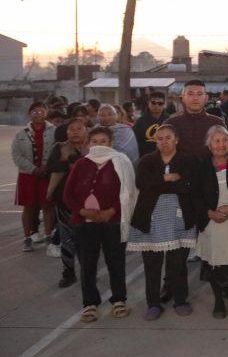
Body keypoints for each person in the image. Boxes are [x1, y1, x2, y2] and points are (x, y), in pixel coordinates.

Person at [62, 126, 137, 322]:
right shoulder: (81, 164)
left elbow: (128, 192)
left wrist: (111, 212)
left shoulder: (121, 162)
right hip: (84, 225)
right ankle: (90, 303)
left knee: (116, 263)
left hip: (112, 223)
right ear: (88, 144)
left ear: (111, 143)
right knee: (87, 265)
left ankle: (119, 300)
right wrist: (82, 211)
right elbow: (68, 194)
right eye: (94, 141)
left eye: (103, 141)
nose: (98, 145)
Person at [128, 125, 198, 320]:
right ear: (155, 141)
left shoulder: (187, 160)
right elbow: (142, 183)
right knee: (152, 265)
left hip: (179, 217)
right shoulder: (147, 160)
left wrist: (158, 184)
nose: (164, 141)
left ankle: (180, 300)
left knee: (178, 264)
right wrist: (166, 178)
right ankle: (153, 303)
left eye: (168, 137)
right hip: (149, 218)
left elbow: (187, 185)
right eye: (160, 138)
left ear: (176, 140)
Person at [195, 126, 228, 318]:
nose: (221, 145)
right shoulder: (201, 166)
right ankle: (218, 300)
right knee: (214, 263)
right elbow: (195, 195)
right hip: (212, 222)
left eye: (224, 140)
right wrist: (209, 212)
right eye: (216, 141)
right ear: (209, 145)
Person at [45, 118, 89, 287]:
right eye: (71, 129)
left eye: (79, 128)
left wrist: (69, 162)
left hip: (88, 203)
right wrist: (68, 162)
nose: (75, 132)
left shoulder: (92, 146)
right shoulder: (59, 147)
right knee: (67, 239)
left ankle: (88, 272)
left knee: (87, 240)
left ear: (86, 130)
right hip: (64, 202)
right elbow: (51, 168)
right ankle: (68, 272)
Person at [13, 102, 57, 253]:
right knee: (29, 207)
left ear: (46, 113)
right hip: (28, 176)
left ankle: (48, 236)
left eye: (41, 111)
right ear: (29, 114)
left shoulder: (54, 131)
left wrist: (48, 167)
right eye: (34, 112)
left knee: (48, 205)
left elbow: (57, 151)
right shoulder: (21, 133)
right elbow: (16, 155)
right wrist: (33, 169)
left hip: (47, 174)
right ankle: (27, 238)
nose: (38, 114)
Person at [165, 80, 224, 163]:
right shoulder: (170, 124)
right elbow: (162, 153)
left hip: (210, 173)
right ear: (183, 98)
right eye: (190, 94)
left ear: (206, 98)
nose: (195, 98)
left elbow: (226, 153)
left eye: (199, 94)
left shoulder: (217, 123)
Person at [134, 92, 169, 157]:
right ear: (148, 103)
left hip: (166, 156)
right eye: (153, 103)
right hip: (146, 157)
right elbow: (136, 142)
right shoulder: (140, 121)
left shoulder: (169, 120)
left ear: (164, 104)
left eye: (160, 103)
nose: (156, 106)